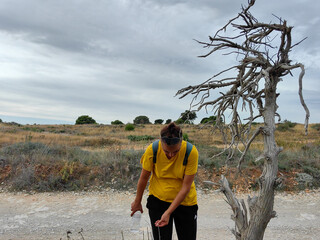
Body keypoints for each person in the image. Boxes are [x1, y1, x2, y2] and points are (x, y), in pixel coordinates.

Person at [131, 122, 198, 240]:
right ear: (160, 142)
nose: (171, 155)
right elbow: (143, 178)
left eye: (175, 151)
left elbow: (186, 187)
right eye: (166, 151)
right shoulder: (152, 150)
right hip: (158, 201)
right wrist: (137, 202)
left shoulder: (191, 152)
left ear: (181, 142)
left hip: (185, 203)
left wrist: (168, 212)